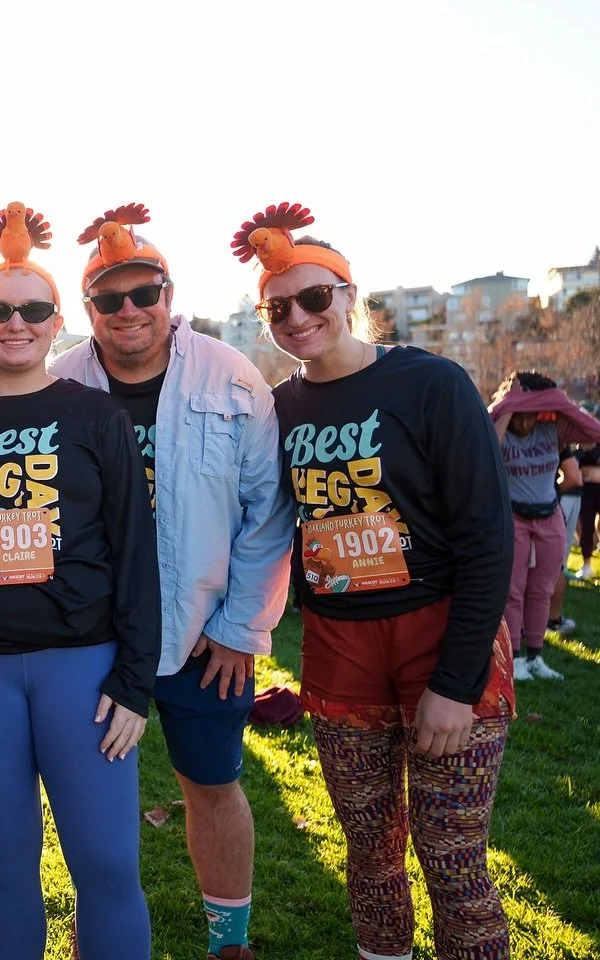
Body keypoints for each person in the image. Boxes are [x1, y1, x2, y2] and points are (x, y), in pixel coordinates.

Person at [238, 201, 515, 960]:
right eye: (278, 307)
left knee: (453, 861)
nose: (297, 317)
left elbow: (488, 541)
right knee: (370, 855)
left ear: (347, 296)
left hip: (443, 636)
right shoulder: (276, 410)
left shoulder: (432, 384)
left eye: (314, 298)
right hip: (340, 649)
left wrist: (456, 684)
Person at [49, 204, 292, 960]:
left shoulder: (231, 375)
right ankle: (104, 933)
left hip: (203, 629)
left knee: (212, 786)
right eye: (108, 297)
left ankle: (230, 942)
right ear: (87, 308)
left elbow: (268, 513)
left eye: (142, 292)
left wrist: (241, 628)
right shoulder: (59, 381)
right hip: (91, 633)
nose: (128, 310)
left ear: (169, 293)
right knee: (90, 804)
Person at [0, 205, 160, 959]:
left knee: (104, 865)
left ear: (59, 319)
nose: (15, 323)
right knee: (4, 861)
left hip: (84, 669)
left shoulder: (96, 417)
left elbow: (135, 551)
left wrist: (134, 680)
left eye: (33, 309)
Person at [489, 371, 600, 680]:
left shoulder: (552, 427)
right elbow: (486, 446)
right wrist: (510, 404)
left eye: (531, 415)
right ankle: (513, 659)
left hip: (549, 516)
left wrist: (560, 403)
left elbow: (594, 432)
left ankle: (535, 656)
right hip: (513, 517)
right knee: (513, 590)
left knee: (543, 589)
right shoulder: (499, 426)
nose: (525, 422)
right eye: (520, 416)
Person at [547, 445, 582, 635]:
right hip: (548, 508)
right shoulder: (555, 437)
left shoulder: (504, 430)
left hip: (513, 508)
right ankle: (553, 620)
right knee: (555, 565)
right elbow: (574, 476)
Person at [573, 443, 600, 579]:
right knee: (586, 526)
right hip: (587, 490)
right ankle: (586, 565)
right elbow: (575, 462)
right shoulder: (583, 444)